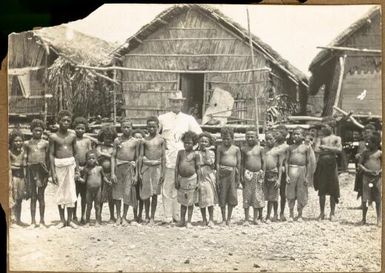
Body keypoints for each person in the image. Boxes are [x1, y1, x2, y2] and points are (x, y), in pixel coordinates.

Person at [158, 91, 202, 224]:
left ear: (182, 103)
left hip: (184, 160)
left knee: (181, 188)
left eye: (178, 101)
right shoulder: (162, 118)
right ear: (169, 102)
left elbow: (199, 136)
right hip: (168, 157)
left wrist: (191, 153)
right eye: (173, 101)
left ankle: (177, 215)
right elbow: (156, 135)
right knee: (167, 188)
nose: (176, 104)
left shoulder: (188, 119)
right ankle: (167, 216)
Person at [49, 110, 79, 229]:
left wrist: (77, 170)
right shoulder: (53, 137)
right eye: (63, 120)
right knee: (60, 193)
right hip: (59, 166)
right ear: (59, 121)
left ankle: (70, 220)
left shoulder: (72, 136)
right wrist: (53, 172)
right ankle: (62, 220)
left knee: (71, 193)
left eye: (68, 121)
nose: (66, 122)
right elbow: (51, 154)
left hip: (70, 165)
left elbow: (76, 153)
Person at [111, 119, 139, 226]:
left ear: (132, 128)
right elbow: (113, 156)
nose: (126, 129)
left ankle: (124, 217)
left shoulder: (135, 142)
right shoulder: (117, 140)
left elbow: (137, 158)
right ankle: (118, 217)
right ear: (121, 128)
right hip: (118, 168)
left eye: (128, 127)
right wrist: (113, 173)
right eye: (124, 127)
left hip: (129, 169)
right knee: (118, 194)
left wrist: (136, 175)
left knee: (127, 193)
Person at [139, 117, 165, 224]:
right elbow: (141, 155)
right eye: (149, 127)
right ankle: (146, 216)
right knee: (146, 193)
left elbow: (163, 157)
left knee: (154, 193)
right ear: (147, 127)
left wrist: (163, 172)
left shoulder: (161, 140)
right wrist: (140, 171)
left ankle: (153, 217)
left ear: (158, 127)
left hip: (157, 168)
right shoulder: (144, 140)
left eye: (153, 126)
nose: (151, 129)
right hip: (146, 168)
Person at [23, 119, 49, 227]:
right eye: (35, 130)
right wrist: (25, 172)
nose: (38, 132)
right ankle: (33, 221)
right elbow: (25, 157)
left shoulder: (45, 143)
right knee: (33, 196)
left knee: (41, 196)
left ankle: (42, 221)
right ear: (31, 131)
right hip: (30, 170)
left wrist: (48, 173)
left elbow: (47, 158)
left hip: (42, 171)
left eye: (40, 130)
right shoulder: (27, 143)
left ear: (42, 131)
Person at [313, 124, 342, 221]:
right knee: (322, 189)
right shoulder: (321, 138)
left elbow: (339, 150)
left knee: (333, 189)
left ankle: (332, 213)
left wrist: (325, 148)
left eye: (325, 126)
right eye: (323, 127)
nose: (323, 129)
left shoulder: (337, 138)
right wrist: (331, 151)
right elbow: (316, 150)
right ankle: (322, 213)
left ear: (331, 126)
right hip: (322, 164)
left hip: (332, 165)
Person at [285, 128, 313, 222]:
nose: (295, 136)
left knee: (301, 192)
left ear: (303, 136)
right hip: (292, 169)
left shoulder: (306, 147)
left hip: (302, 169)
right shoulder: (290, 147)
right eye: (294, 134)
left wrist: (307, 176)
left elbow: (308, 162)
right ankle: (291, 214)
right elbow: (286, 162)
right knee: (291, 192)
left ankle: (300, 215)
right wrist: (287, 175)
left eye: (298, 134)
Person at [175, 131, 201, 228]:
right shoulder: (180, 153)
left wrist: (198, 182)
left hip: (192, 179)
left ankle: (189, 221)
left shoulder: (195, 154)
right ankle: (182, 220)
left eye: (189, 143)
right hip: (182, 179)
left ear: (194, 144)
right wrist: (176, 179)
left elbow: (198, 169)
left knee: (190, 202)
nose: (187, 144)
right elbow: (177, 167)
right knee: (182, 202)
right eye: (185, 142)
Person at [216, 127, 241, 226]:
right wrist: (217, 176)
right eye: (224, 139)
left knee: (232, 195)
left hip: (233, 174)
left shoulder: (236, 149)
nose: (226, 141)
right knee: (222, 195)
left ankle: (229, 219)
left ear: (232, 138)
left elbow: (238, 164)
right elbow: (217, 163)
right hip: (222, 174)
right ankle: (223, 218)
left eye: (228, 139)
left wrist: (238, 177)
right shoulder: (220, 148)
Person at [240, 127, 264, 225]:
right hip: (247, 175)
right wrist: (241, 176)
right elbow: (242, 163)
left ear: (257, 137)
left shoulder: (260, 149)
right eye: (248, 137)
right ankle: (246, 219)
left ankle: (255, 218)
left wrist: (263, 175)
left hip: (258, 175)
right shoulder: (244, 149)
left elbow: (263, 163)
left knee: (256, 197)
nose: (250, 139)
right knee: (247, 196)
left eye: (252, 137)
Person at [358, 134, 382, 226]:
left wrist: (379, 171)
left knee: (378, 198)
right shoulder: (365, 153)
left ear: (376, 144)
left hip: (377, 178)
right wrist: (366, 170)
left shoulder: (380, 153)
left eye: (370, 142)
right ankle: (364, 218)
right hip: (366, 177)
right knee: (366, 199)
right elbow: (360, 164)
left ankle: (379, 219)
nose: (368, 144)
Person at [72, 117, 92, 224]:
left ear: (85, 129)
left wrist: (86, 167)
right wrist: (77, 168)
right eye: (78, 128)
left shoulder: (87, 140)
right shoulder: (72, 139)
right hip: (75, 168)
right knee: (75, 193)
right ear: (74, 128)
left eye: (82, 128)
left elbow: (90, 154)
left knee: (84, 195)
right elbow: (73, 154)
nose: (80, 130)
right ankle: (74, 215)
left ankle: (83, 215)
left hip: (85, 168)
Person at [96, 125, 117, 223]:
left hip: (110, 174)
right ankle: (98, 216)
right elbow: (98, 154)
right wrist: (109, 155)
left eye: (110, 138)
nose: (108, 140)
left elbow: (115, 157)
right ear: (102, 137)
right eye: (105, 138)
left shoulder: (114, 147)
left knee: (111, 197)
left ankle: (112, 216)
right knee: (99, 197)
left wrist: (109, 156)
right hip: (100, 175)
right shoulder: (99, 146)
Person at [197, 132, 217, 227]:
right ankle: (204, 218)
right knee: (202, 198)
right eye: (201, 141)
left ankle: (211, 219)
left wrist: (206, 153)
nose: (203, 143)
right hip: (199, 176)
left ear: (209, 143)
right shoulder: (196, 153)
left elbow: (211, 164)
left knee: (210, 198)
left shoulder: (211, 153)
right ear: (198, 142)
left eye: (205, 141)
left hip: (208, 176)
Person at [9, 129, 28, 226]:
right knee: (13, 199)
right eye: (16, 141)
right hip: (13, 178)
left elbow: (26, 166)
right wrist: (17, 166)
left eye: (20, 141)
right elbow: (8, 166)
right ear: (12, 142)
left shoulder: (23, 152)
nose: (18, 143)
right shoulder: (9, 153)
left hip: (21, 178)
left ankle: (19, 219)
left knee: (20, 199)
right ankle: (12, 220)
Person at [263, 131, 282, 222]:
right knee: (268, 196)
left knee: (274, 197)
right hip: (266, 174)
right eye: (267, 139)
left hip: (275, 174)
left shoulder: (278, 150)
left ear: (275, 139)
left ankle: (271, 215)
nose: (268, 141)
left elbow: (280, 165)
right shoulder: (264, 150)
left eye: (270, 139)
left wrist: (279, 179)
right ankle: (269, 214)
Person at [354, 124, 376, 203]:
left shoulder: (377, 143)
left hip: (373, 166)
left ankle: (371, 202)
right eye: (365, 133)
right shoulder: (361, 143)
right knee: (362, 185)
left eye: (368, 132)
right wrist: (357, 155)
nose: (366, 134)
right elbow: (358, 153)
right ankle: (363, 203)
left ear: (373, 133)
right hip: (362, 167)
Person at [83, 150, 104, 226]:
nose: (91, 160)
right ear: (86, 160)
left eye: (93, 158)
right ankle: (87, 222)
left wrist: (108, 182)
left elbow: (104, 177)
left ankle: (98, 221)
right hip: (89, 191)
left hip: (98, 190)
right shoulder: (86, 170)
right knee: (88, 206)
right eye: (89, 158)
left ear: (96, 159)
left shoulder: (100, 168)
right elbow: (84, 180)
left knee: (97, 206)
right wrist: (78, 178)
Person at [274, 125, 290, 221]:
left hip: (282, 171)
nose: (276, 135)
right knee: (274, 193)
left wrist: (287, 174)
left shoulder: (286, 147)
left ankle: (282, 213)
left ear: (283, 135)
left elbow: (286, 162)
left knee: (283, 194)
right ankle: (275, 213)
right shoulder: (273, 144)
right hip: (273, 170)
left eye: (278, 133)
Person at [131, 129, 146, 223]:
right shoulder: (132, 149)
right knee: (134, 196)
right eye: (136, 137)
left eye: (140, 137)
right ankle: (135, 215)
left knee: (142, 196)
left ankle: (141, 214)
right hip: (133, 174)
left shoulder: (144, 148)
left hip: (143, 174)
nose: (138, 139)